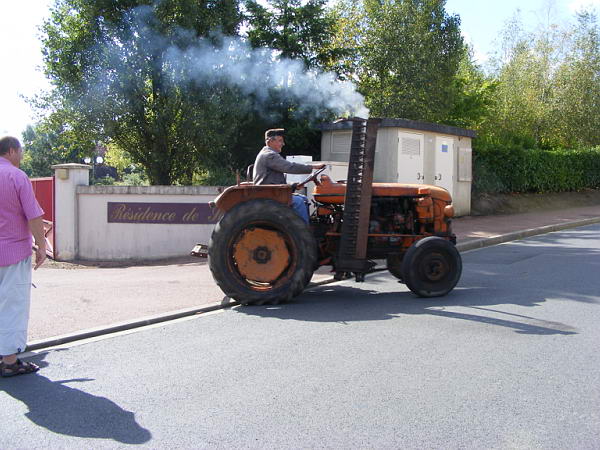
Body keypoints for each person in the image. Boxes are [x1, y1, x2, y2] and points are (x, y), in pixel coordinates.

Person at [0, 136, 46, 377]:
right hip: (13, 252)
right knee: (13, 305)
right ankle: (9, 361)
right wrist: (41, 245)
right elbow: (33, 215)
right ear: (11, 150)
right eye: (21, 151)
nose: (22, 155)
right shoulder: (17, 176)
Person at [253, 128, 325, 223]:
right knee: (299, 202)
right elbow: (289, 167)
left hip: (272, 191)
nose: (283, 144)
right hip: (268, 194)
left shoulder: (269, 154)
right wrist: (313, 167)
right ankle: (303, 233)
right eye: (280, 141)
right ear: (270, 141)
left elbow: (275, 180)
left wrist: (293, 185)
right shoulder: (269, 155)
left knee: (303, 198)